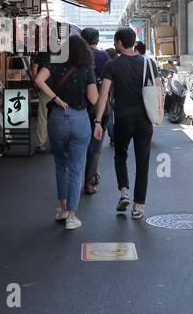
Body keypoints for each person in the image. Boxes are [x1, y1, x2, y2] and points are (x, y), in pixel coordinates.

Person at [34, 34, 98, 231]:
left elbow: (38, 80)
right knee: (77, 168)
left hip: (58, 118)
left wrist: (56, 99)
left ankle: (62, 209)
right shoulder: (87, 69)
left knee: (60, 164)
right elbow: (94, 99)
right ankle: (72, 215)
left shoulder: (54, 63)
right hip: (79, 119)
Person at [94, 27, 153, 219]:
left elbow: (103, 96)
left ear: (120, 42)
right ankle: (138, 207)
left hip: (122, 118)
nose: (114, 44)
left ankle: (124, 192)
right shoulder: (149, 63)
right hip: (145, 119)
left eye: (114, 41)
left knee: (120, 155)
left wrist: (97, 121)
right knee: (142, 161)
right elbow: (158, 90)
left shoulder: (112, 65)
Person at [80, 28, 111, 195]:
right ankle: (90, 182)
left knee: (79, 143)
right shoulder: (103, 56)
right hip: (100, 106)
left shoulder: (75, 57)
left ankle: (77, 178)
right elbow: (109, 85)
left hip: (80, 106)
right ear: (97, 41)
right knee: (96, 143)